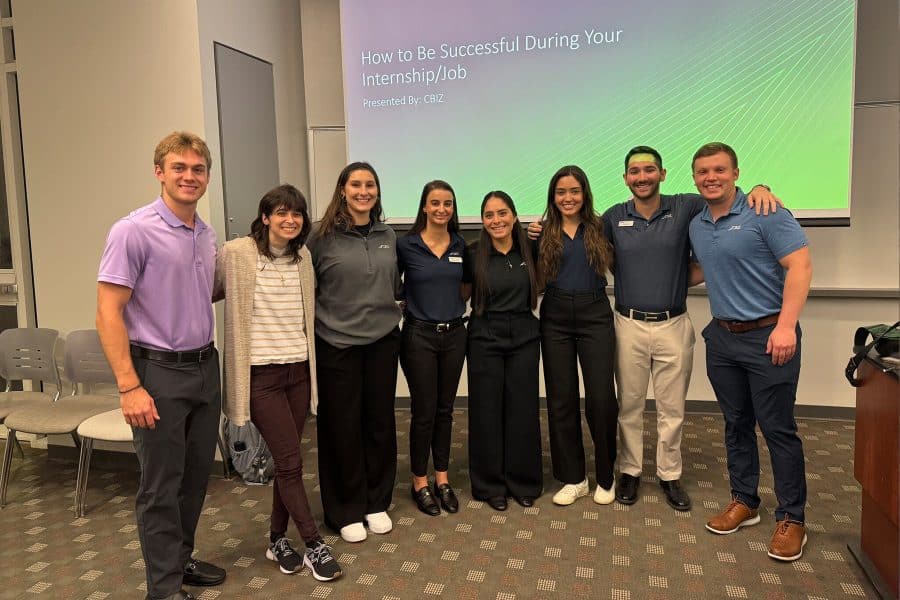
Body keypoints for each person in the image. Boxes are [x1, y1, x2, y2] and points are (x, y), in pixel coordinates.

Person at [529, 151, 779, 512]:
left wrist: (759, 188)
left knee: (670, 408)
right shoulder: (612, 218)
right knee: (627, 406)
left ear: (662, 173)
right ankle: (628, 472)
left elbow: (722, 196)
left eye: (649, 170)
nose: (642, 176)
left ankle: (668, 475)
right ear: (625, 178)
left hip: (672, 323)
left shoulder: (685, 207)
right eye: (635, 171)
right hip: (627, 323)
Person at [96, 132, 224, 600]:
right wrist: (129, 386)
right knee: (161, 486)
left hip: (204, 367)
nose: (189, 176)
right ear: (159, 172)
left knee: (194, 478)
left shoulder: (206, 234)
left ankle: (180, 559)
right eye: (179, 168)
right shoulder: (132, 230)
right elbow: (107, 312)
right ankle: (164, 588)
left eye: (198, 169)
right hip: (157, 372)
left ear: (207, 177)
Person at [688, 142, 812, 562]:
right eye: (703, 171)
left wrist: (786, 326)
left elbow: (800, 265)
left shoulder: (766, 211)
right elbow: (701, 269)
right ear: (694, 178)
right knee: (736, 423)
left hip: (769, 336)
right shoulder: (698, 224)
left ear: (736, 173)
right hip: (723, 338)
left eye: (719, 169)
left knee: (777, 428)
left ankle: (792, 517)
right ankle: (745, 500)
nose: (711, 177)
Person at [213, 184, 341, 581]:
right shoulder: (236, 253)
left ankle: (277, 539)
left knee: (287, 463)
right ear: (265, 217)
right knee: (290, 461)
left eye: (297, 213)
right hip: (261, 376)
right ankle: (314, 544)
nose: (290, 220)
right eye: (281, 212)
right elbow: (206, 292)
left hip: (298, 372)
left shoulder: (303, 257)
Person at [307, 162, 402, 543]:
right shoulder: (320, 236)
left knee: (379, 423)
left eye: (370, 185)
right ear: (342, 190)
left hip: (382, 342)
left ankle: (376, 502)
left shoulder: (387, 234)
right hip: (337, 345)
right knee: (341, 427)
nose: (364, 192)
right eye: (356, 185)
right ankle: (344, 510)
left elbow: (393, 284)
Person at [534, 166, 617, 508]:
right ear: (553, 197)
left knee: (601, 399)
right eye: (561, 192)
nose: (567, 198)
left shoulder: (602, 226)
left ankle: (607, 476)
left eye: (574, 191)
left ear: (585, 193)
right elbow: (535, 280)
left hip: (594, 314)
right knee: (561, 399)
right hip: (555, 316)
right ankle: (574, 478)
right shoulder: (541, 232)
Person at [462, 191, 542, 511]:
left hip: (524, 335)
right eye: (489, 215)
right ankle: (489, 485)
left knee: (523, 410)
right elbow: (462, 292)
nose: (496, 220)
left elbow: (543, 282)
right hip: (485, 336)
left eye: (502, 213)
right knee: (486, 412)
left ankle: (523, 482)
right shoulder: (472, 254)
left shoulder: (530, 249)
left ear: (514, 215)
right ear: (483, 220)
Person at [397, 181, 467, 516]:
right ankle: (419, 482)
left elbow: (466, 286)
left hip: (454, 336)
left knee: (445, 410)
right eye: (435, 203)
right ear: (424, 206)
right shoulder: (405, 245)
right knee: (424, 411)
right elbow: (391, 284)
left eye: (447, 203)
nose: (441, 209)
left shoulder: (461, 244)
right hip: (419, 337)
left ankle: (442, 478)